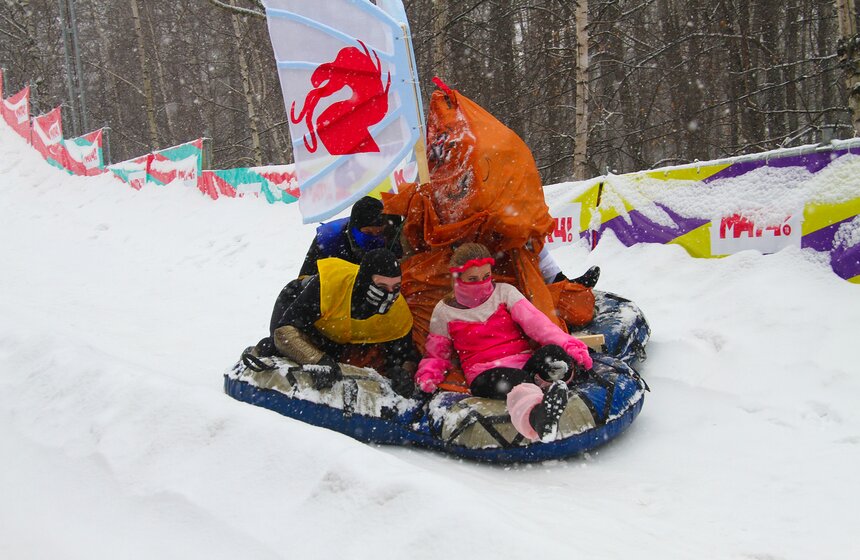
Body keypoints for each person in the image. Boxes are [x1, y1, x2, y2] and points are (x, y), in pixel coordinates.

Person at [414, 243, 594, 441]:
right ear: (458, 279)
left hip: (523, 362)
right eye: (473, 279)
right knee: (511, 382)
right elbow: (436, 354)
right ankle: (539, 417)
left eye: (486, 277)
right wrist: (428, 377)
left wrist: (569, 346)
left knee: (554, 354)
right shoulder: (444, 312)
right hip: (485, 372)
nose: (481, 284)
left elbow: (538, 325)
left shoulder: (504, 293)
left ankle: (555, 379)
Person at [260, 248, 418, 397]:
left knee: (340, 366)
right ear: (364, 281)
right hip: (297, 304)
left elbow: (403, 355)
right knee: (277, 347)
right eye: (381, 286)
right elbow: (284, 333)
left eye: (396, 287)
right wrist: (318, 360)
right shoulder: (330, 284)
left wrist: (401, 372)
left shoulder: (398, 311)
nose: (389, 294)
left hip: (339, 333)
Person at [299, 196, 402, 277]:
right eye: (368, 233)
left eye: (379, 233)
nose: (374, 238)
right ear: (354, 230)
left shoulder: (390, 236)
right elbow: (303, 282)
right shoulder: (329, 240)